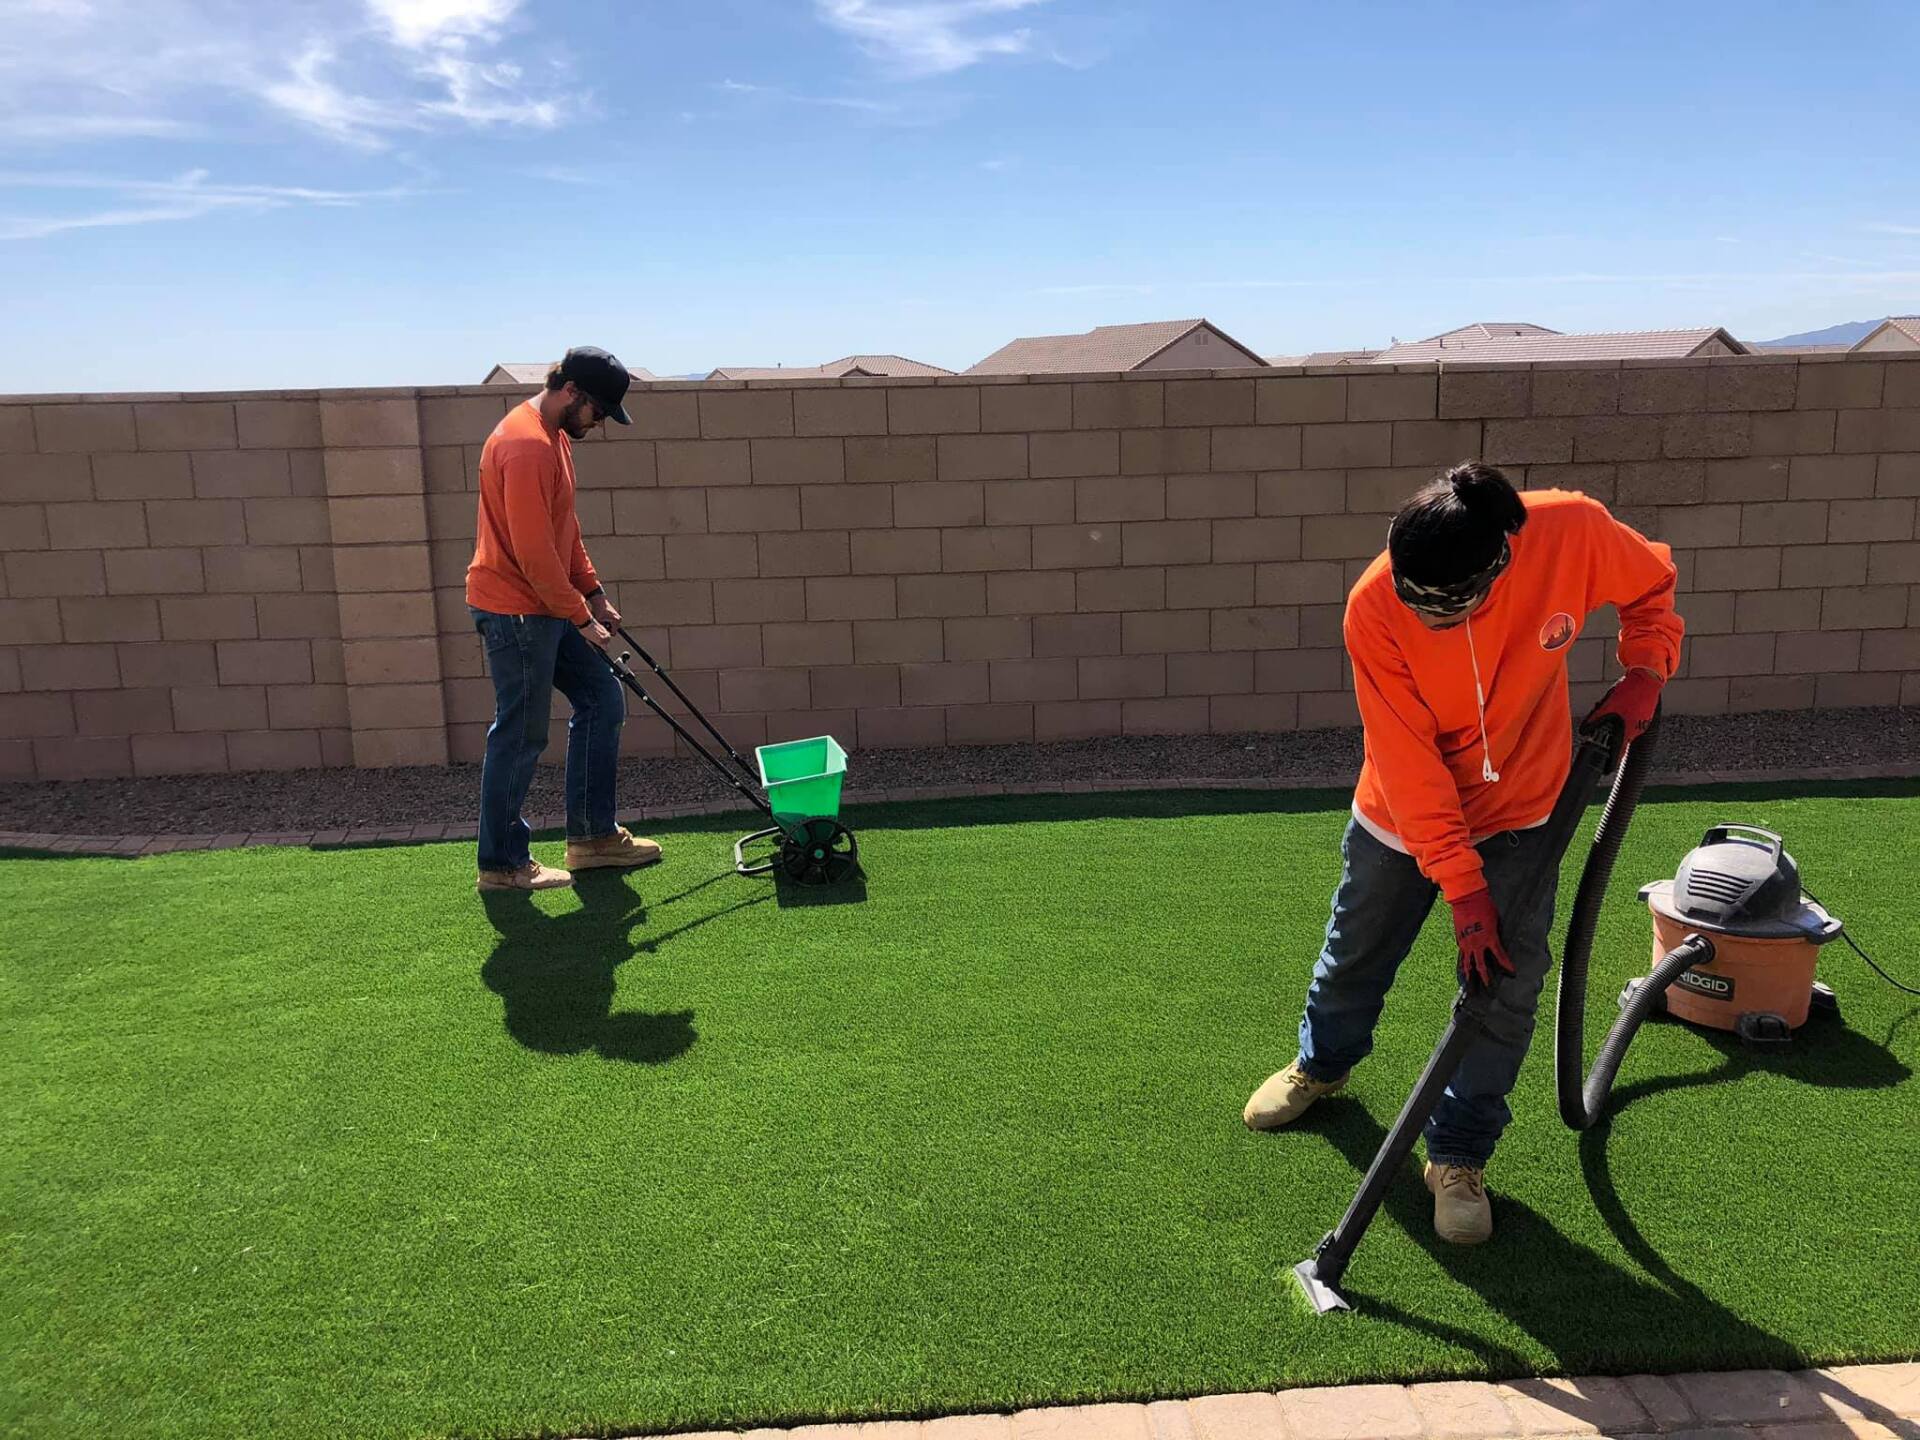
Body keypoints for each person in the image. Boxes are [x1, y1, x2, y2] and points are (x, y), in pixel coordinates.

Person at [1242, 462, 1682, 1244]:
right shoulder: (1374, 609)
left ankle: (1457, 1155)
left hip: (1524, 807)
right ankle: (1325, 1063)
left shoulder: (1569, 532)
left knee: (1504, 992)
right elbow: (1410, 765)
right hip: (1403, 818)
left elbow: (1650, 583)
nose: (1429, 621)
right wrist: (1463, 889)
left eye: (1446, 609)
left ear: (1500, 560)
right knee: (1356, 954)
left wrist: (1645, 666)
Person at [466, 346, 662, 893]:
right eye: (598, 412)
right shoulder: (525, 444)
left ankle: (592, 839)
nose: (599, 424)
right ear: (571, 391)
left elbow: (563, 529)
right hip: (515, 611)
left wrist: (593, 592)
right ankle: (502, 865)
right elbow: (532, 553)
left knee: (602, 700)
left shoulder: (553, 438)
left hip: (547, 604)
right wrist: (579, 617)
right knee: (522, 734)